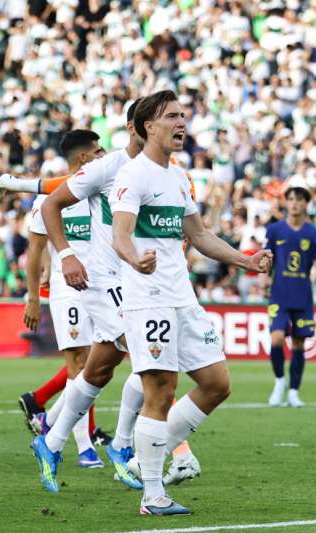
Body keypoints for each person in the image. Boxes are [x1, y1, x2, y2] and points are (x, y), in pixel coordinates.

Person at [111, 90, 272, 515]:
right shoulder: (135, 175)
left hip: (182, 297)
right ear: (149, 126)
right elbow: (121, 234)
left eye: (183, 116)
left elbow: (198, 236)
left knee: (218, 383)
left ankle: (147, 454)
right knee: (160, 392)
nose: (182, 123)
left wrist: (245, 260)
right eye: (172, 117)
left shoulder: (179, 177)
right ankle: (152, 495)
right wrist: (134, 258)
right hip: (148, 300)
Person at [31, 98, 201, 493]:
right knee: (149, 357)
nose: (172, 126)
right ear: (137, 128)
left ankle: (51, 439)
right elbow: (52, 205)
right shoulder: (107, 168)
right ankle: (122, 447)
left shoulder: (163, 174)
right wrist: (69, 255)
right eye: (161, 120)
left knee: (102, 367)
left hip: (136, 284)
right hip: (103, 281)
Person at [2, 129, 108, 468]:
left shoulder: (101, 190)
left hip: (104, 286)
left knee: (103, 360)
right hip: (68, 289)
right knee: (80, 363)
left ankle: (48, 421)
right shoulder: (47, 203)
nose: (104, 155)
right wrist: (33, 297)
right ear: (83, 158)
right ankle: (83, 446)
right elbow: (34, 252)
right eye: (98, 151)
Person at [264, 184, 316, 408]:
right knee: (276, 338)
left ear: (306, 204)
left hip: (302, 296)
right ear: (286, 203)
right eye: (291, 199)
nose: (294, 203)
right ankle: (279, 382)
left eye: (299, 199)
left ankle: (294, 392)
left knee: (298, 344)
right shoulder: (275, 230)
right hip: (279, 294)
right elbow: (267, 259)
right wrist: (263, 278)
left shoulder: (314, 234)